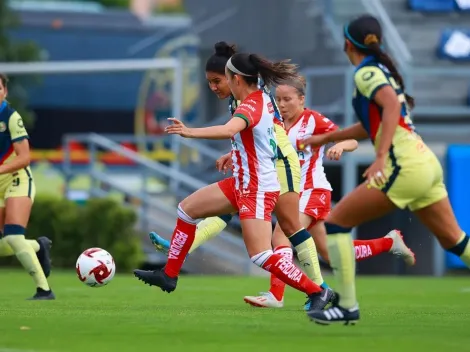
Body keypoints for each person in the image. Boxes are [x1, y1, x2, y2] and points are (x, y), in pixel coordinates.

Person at [134, 52, 333, 310]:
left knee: (261, 254)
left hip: (257, 187)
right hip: (242, 181)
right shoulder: (256, 99)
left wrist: (188, 132)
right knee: (187, 210)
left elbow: (230, 129)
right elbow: (263, 136)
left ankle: (317, 291)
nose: (217, 86)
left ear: (236, 79)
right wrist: (235, 153)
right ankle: (169, 275)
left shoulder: (251, 103)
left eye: (222, 79)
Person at [305, 14, 470, 325]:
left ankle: (348, 306)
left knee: (335, 224)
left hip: (403, 167)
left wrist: (380, 157)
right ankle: (347, 306)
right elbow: (375, 122)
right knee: (455, 241)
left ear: (346, 43)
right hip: (425, 164)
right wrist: (327, 137)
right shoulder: (380, 69)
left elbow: (391, 107)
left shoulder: (365, 73)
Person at [243, 76, 415, 309]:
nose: (281, 105)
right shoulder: (274, 122)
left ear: (301, 99)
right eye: (278, 99)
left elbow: (352, 140)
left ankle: (277, 295)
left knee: (281, 236)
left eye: (287, 99)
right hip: (289, 193)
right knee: (330, 253)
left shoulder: (313, 120)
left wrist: (340, 145)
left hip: (312, 189)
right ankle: (388, 242)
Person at [0, 74, 54, 300]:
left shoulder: (11, 117)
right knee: (4, 246)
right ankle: (39, 247)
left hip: (17, 179)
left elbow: (24, 157)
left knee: (13, 237)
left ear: (4, 91)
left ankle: (44, 290)